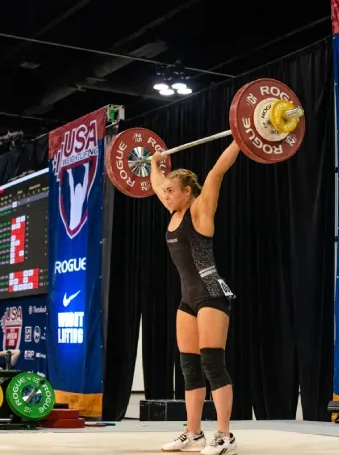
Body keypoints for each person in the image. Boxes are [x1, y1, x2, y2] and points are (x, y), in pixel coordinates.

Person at [150, 141, 240, 455]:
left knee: (213, 364)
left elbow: (217, 172)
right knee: (189, 367)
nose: (165, 195)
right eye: (165, 193)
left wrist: (240, 138)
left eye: (171, 192)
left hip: (212, 290)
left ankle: (224, 436)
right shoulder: (173, 210)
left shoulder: (200, 209)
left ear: (187, 191)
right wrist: (154, 163)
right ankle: (193, 433)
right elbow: (158, 182)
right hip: (188, 297)